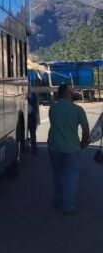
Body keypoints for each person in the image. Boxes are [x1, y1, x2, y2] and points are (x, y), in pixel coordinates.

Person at [47, 83, 90, 214]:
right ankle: (68, 205)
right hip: (71, 148)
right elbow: (85, 129)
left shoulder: (52, 108)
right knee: (71, 176)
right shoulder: (78, 110)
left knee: (58, 174)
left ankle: (58, 199)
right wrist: (83, 142)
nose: (74, 92)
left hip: (54, 147)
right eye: (72, 90)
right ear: (67, 93)